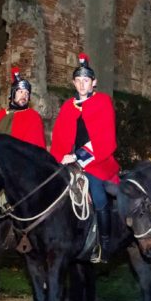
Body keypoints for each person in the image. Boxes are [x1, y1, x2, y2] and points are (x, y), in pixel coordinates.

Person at [50, 52, 120, 263]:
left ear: (94, 82)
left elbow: (106, 138)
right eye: (78, 81)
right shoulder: (67, 106)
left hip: (97, 160)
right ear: (73, 83)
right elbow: (60, 137)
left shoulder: (103, 102)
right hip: (69, 160)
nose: (82, 85)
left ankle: (105, 245)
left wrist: (78, 157)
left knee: (97, 194)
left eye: (86, 81)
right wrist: (61, 157)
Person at [0, 67, 46, 149]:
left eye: (27, 94)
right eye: (21, 92)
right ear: (13, 93)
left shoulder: (33, 117)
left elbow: (34, 150)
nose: (24, 96)